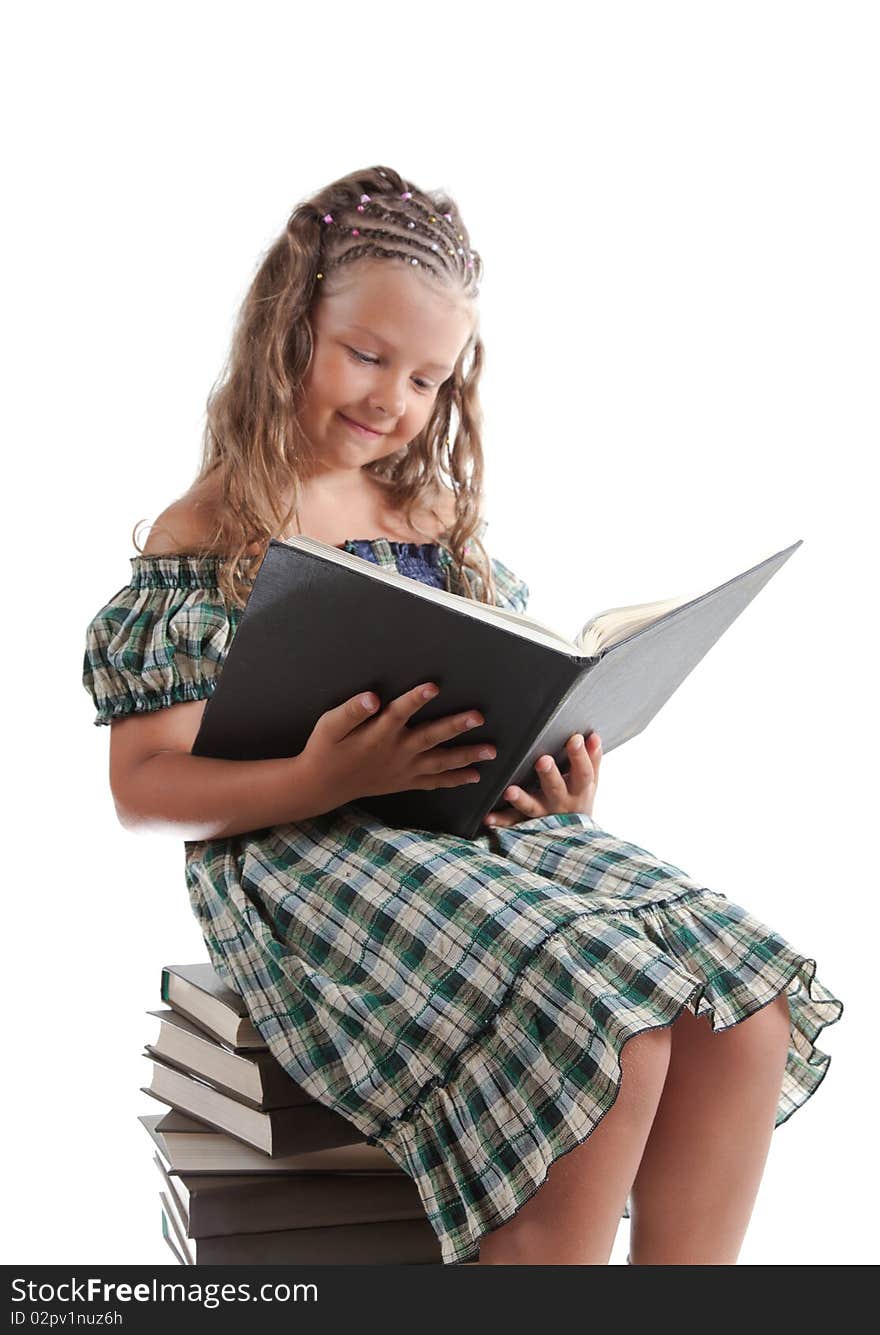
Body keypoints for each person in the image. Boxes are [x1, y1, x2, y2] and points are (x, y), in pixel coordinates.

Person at [82, 164, 843, 1267]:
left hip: (476, 829)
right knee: (604, 1015)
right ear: (288, 326)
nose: (393, 401)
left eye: (429, 379)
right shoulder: (211, 527)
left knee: (745, 1002)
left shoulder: (430, 514)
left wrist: (551, 772)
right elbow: (141, 785)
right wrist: (321, 779)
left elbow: (494, 687)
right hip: (300, 849)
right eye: (366, 356)